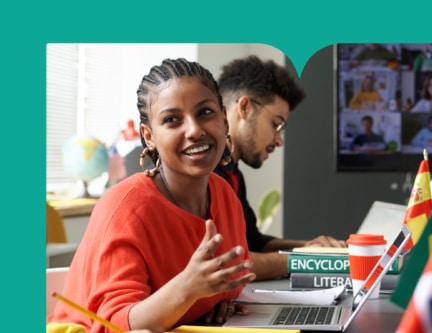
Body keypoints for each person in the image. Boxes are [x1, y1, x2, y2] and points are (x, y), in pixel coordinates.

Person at [48, 58, 256, 333]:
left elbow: (227, 285)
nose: (194, 130)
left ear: (224, 119)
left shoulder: (226, 196)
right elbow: (115, 325)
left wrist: (215, 302)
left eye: (205, 112)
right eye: (172, 120)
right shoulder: (125, 207)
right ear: (149, 136)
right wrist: (187, 289)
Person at [215, 55, 346, 281]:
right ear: (244, 107)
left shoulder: (233, 174)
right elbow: (228, 262)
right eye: (275, 125)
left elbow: (252, 242)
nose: (279, 140)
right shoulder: (206, 175)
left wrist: (311, 247)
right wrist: (308, 260)